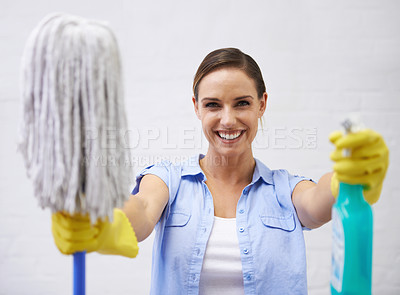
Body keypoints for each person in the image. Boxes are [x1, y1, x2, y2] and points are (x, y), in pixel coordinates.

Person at [52, 48, 389, 294]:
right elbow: (138, 213)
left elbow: (319, 197)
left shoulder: (285, 190)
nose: (228, 120)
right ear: (196, 107)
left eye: (242, 103)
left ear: (262, 104)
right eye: (213, 104)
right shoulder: (168, 180)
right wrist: (101, 217)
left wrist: (352, 180)